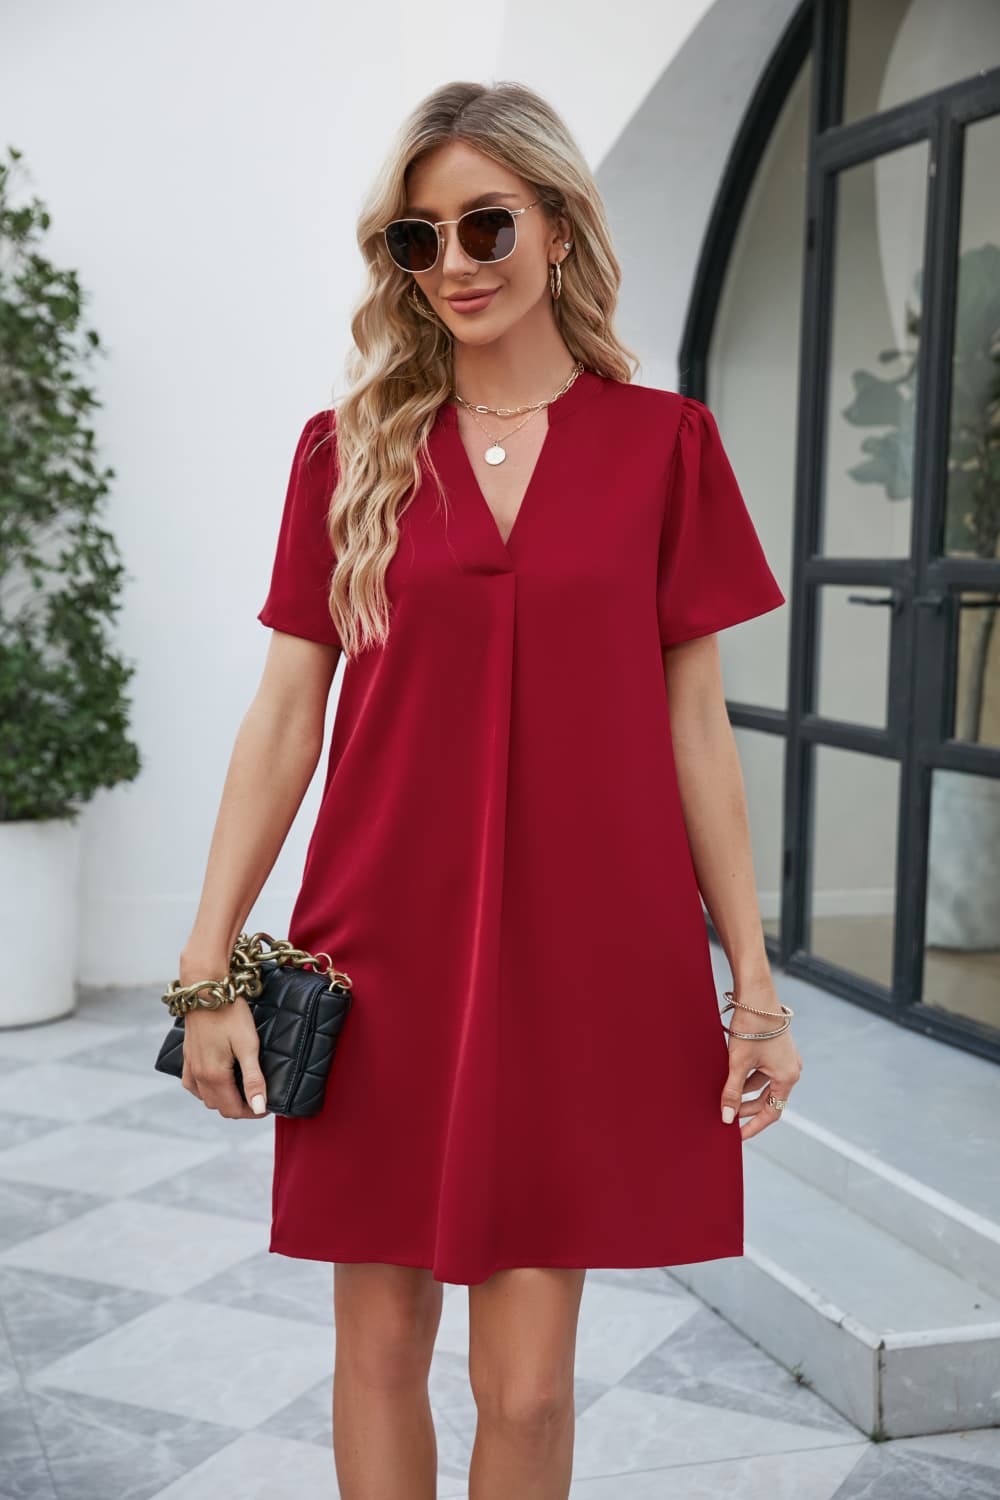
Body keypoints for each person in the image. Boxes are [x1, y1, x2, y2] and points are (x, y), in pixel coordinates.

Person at [175, 78, 803, 1500]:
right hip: (379, 950)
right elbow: (284, 719)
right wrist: (206, 968)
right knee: (380, 1347)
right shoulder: (347, 455)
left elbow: (697, 730)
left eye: (486, 225)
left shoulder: (666, 447)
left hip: (588, 957)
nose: (453, 263)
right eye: (417, 238)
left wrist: (754, 985)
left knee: (526, 1391)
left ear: (560, 227)